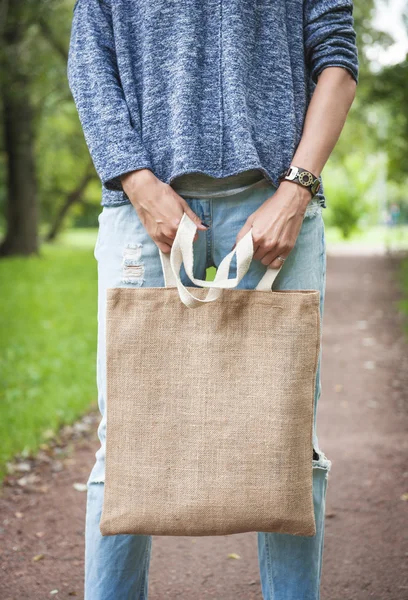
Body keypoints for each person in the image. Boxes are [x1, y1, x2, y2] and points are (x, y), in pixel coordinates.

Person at [67, 1, 358, 598]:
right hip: (144, 214)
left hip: (278, 215)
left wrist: (296, 192)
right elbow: (90, 60)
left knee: (287, 439)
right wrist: (138, 183)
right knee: (125, 439)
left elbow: (336, 58)